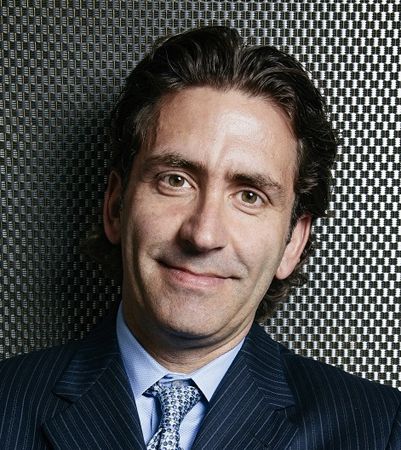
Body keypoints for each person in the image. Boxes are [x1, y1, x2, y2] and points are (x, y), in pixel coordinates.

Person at [0, 26, 400, 450]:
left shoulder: (381, 431)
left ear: (293, 243)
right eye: (175, 180)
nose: (203, 234)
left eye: (249, 195)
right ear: (116, 206)